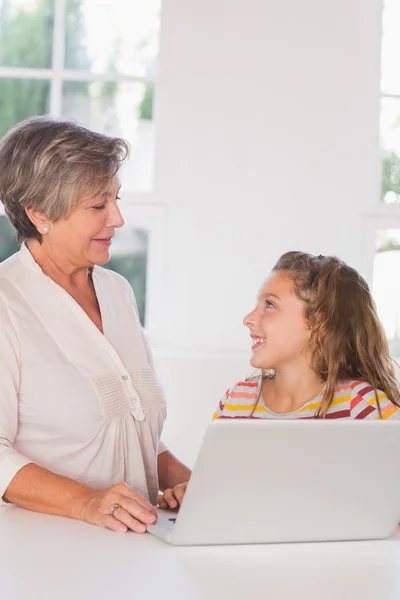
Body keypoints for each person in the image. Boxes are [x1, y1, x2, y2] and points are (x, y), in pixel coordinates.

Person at [0, 116, 189, 532]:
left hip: (135, 552)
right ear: (39, 214)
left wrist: (188, 481)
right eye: (98, 206)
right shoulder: (6, 303)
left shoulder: (117, 292)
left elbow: (130, 430)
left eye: (116, 199)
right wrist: (87, 503)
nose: (118, 219)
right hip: (46, 555)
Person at [214, 251, 400, 420]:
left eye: (269, 304)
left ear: (318, 321)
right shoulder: (236, 401)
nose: (248, 318)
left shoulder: (361, 406)